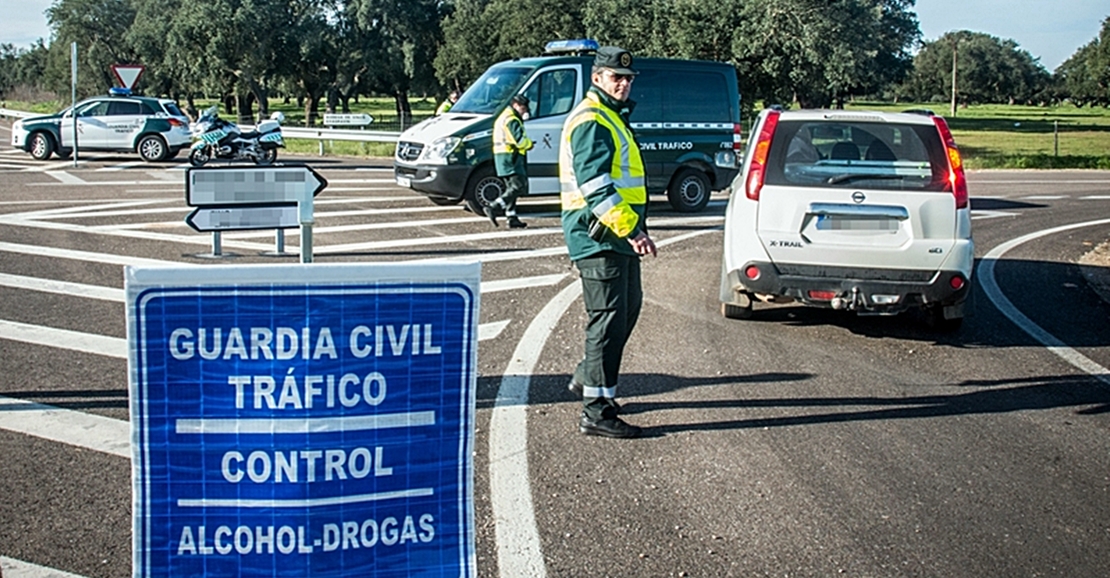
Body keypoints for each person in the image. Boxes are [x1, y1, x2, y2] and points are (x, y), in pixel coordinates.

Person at [559, 46, 656, 439]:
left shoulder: (611, 115)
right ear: (597, 78)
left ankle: (588, 377)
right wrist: (633, 230)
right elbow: (597, 187)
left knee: (626, 311)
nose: (624, 83)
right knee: (606, 322)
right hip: (600, 236)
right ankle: (596, 410)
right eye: (616, 77)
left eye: (628, 78)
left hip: (615, 237)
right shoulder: (592, 119)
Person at [486, 94, 533, 229]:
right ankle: (493, 206)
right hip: (511, 157)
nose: (526, 111)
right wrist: (529, 144)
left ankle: (512, 218)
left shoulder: (504, 116)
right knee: (519, 186)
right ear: (516, 106)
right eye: (523, 108)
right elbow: (520, 141)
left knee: (510, 189)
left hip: (504, 157)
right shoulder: (511, 119)